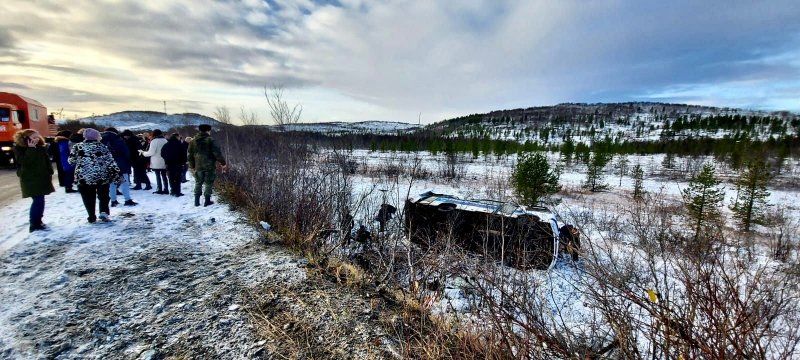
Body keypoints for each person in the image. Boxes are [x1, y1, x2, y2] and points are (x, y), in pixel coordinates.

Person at [69, 128, 122, 223]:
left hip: (83, 176)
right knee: (104, 196)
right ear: (97, 137)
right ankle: (104, 212)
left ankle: (91, 216)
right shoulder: (102, 147)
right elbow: (110, 161)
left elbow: (71, 161)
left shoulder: (77, 147)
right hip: (101, 176)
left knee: (88, 197)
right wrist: (116, 173)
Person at [13, 129, 55, 232]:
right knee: (38, 200)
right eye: (34, 137)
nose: (36, 139)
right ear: (26, 139)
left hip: (42, 178)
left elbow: (46, 161)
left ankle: (38, 221)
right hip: (30, 179)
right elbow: (24, 162)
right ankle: (34, 223)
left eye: (37, 136)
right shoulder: (20, 149)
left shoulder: (40, 147)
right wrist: (31, 149)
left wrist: (50, 171)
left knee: (40, 200)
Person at [188, 124, 227, 207]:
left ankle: (196, 201)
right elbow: (217, 153)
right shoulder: (210, 140)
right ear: (208, 130)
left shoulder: (193, 141)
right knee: (208, 183)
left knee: (198, 182)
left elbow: (190, 155)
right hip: (209, 165)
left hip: (198, 166)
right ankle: (207, 201)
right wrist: (223, 163)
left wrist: (192, 165)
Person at [101, 127, 137, 206]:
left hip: (108, 165)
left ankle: (113, 200)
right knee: (125, 182)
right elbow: (125, 153)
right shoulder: (118, 140)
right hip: (121, 164)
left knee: (112, 183)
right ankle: (127, 199)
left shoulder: (101, 140)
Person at [139, 129, 169, 195]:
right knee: (164, 176)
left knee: (158, 176)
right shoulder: (165, 140)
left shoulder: (154, 141)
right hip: (164, 160)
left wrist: (143, 153)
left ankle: (159, 189)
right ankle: (166, 189)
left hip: (156, 161)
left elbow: (151, 152)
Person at [161, 133, 187, 197]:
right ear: (177, 137)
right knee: (178, 178)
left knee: (171, 178)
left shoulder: (166, 145)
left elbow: (162, 154)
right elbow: (184, 154)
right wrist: (184, 162)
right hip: (178, 164)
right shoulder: (180, 145)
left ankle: (172, 190)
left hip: (169, 164)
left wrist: (166, 159)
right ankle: (177, 192)